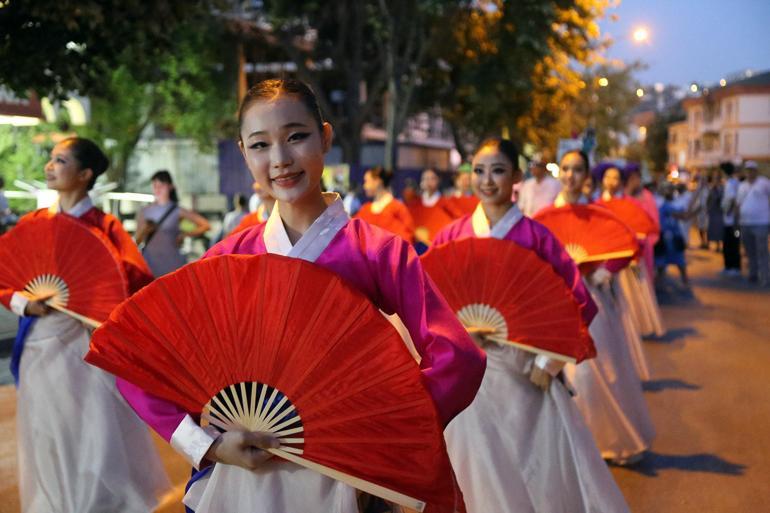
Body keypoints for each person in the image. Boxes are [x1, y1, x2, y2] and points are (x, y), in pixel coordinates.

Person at [115, 78, 486, 513]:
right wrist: (208, 446)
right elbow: (135, 359)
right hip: (244, 473)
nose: (280, 160)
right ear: (242, 153)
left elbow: (459, 356)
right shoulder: (228, 256)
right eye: (260, 145)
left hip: (345, 474)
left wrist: (386, 435)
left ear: (325, 137)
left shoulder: (376, 251)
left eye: (296, 137)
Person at [433, 139, 630, 513]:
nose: (487, 181)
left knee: (532, 465)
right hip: (471, 373)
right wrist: (457, 336)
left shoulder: (536, 237)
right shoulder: (451, 236)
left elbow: (577, 303)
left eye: (498, 170)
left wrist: (549, 362)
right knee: (475, 466)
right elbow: (431, 301)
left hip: (528, 370)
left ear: (517, 177)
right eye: (478, 171)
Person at [0, 137, 170, 512]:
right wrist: (24, 303)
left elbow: (137, 282)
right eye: (50, 159)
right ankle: (56, 502)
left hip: (88, 345)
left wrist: (106, 316)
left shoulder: (106, 227)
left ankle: (97, 503)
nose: (49, 166)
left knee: (97, 430)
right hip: (40, 344)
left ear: (84, 174)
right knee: (48, 431)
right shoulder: (33, 223)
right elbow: (4, 275)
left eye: (60, 160)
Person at [556, 150, 656, 465]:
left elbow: (629, 245)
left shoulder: (598, 212)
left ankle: (609, 438)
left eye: (577, 169)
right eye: (566, 168)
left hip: (591, 299)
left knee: (602, 371)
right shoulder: (544, 215)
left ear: (587, 176)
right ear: (560, 172)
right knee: (567, 376)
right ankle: (573, 444)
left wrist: (606, 270)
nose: (571, 175)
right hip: (556, 301)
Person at [135, 170, 210, 276]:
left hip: (172, 263)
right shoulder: (145, 211)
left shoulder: (177, 210)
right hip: (150, 264)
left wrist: (185, 234)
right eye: (155, 186)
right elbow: (136, 241)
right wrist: (145, 230)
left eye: (161, 185)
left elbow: (205, 225)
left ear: (170, 187)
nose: (158, 189)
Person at [355, 166, 415, 243]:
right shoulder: (365, 209)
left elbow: (408, 237)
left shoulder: (397, 208)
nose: (364, 186)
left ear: (377, 182)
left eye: (367, 181)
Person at [736, 160, 770, 286]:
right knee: (749, 250)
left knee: (762, 250)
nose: (750, 172)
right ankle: (753, 274)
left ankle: (765, 276)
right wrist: (737, 219)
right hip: (745, 223)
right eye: (748, 170)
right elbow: (738, 204)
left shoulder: (764, 183)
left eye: (752, 170)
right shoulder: (742, 186)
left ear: (756, 171)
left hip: (761, 222)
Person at [655, 181, 690, 286]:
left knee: (679, 262)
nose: (669, 191)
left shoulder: (671, 202)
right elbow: (682, 215)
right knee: (661, 264)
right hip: (665, 237)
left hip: (674, 237)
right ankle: (657, 286)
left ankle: (684, 282)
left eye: (670, 189)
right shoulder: (662, 203)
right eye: (666, 189)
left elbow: (683, 215)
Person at [720, 162, 742, 276]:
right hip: (730, 220)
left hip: (732, 221)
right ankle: (729, 266)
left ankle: (734, 267)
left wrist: (728, 212)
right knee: (728, 243)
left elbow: (733, 199)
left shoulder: (731, 183)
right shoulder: (733, 182)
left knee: (732, 243)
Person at [706, 169, 724, 252]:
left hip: (720, 211)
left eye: (717, 177)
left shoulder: (722, 187)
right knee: (713, 228)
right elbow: (708, 199)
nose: (715, 179)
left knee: (720, 228)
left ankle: (719, 245)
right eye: (714, 177)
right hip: (713, 211)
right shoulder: (711, 188)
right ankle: (712, 244)